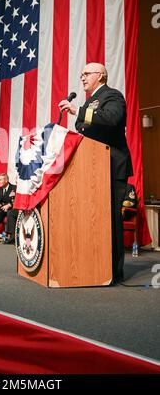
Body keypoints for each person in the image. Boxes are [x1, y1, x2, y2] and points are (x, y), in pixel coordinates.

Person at [58, 62, 133, 283]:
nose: (82, 78)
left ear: (101, 75)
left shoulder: (113, 95)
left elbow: (112, 119)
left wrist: (78, 111)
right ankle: (95, 265)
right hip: (92, 169)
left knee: (110, 220)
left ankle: (113, 272)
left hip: (111, 165)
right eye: (81, 74)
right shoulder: (91, 101)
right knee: (94, 219)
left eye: (86, 73)